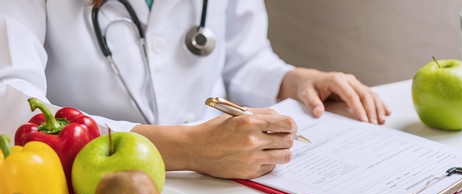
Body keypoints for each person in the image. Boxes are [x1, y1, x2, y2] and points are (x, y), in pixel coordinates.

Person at [0, 0, 390, 179]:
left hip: (222, 182)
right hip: (88, 190)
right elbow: (11, 105)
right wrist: (185, 148)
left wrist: (295, 81)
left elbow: (243, 59)